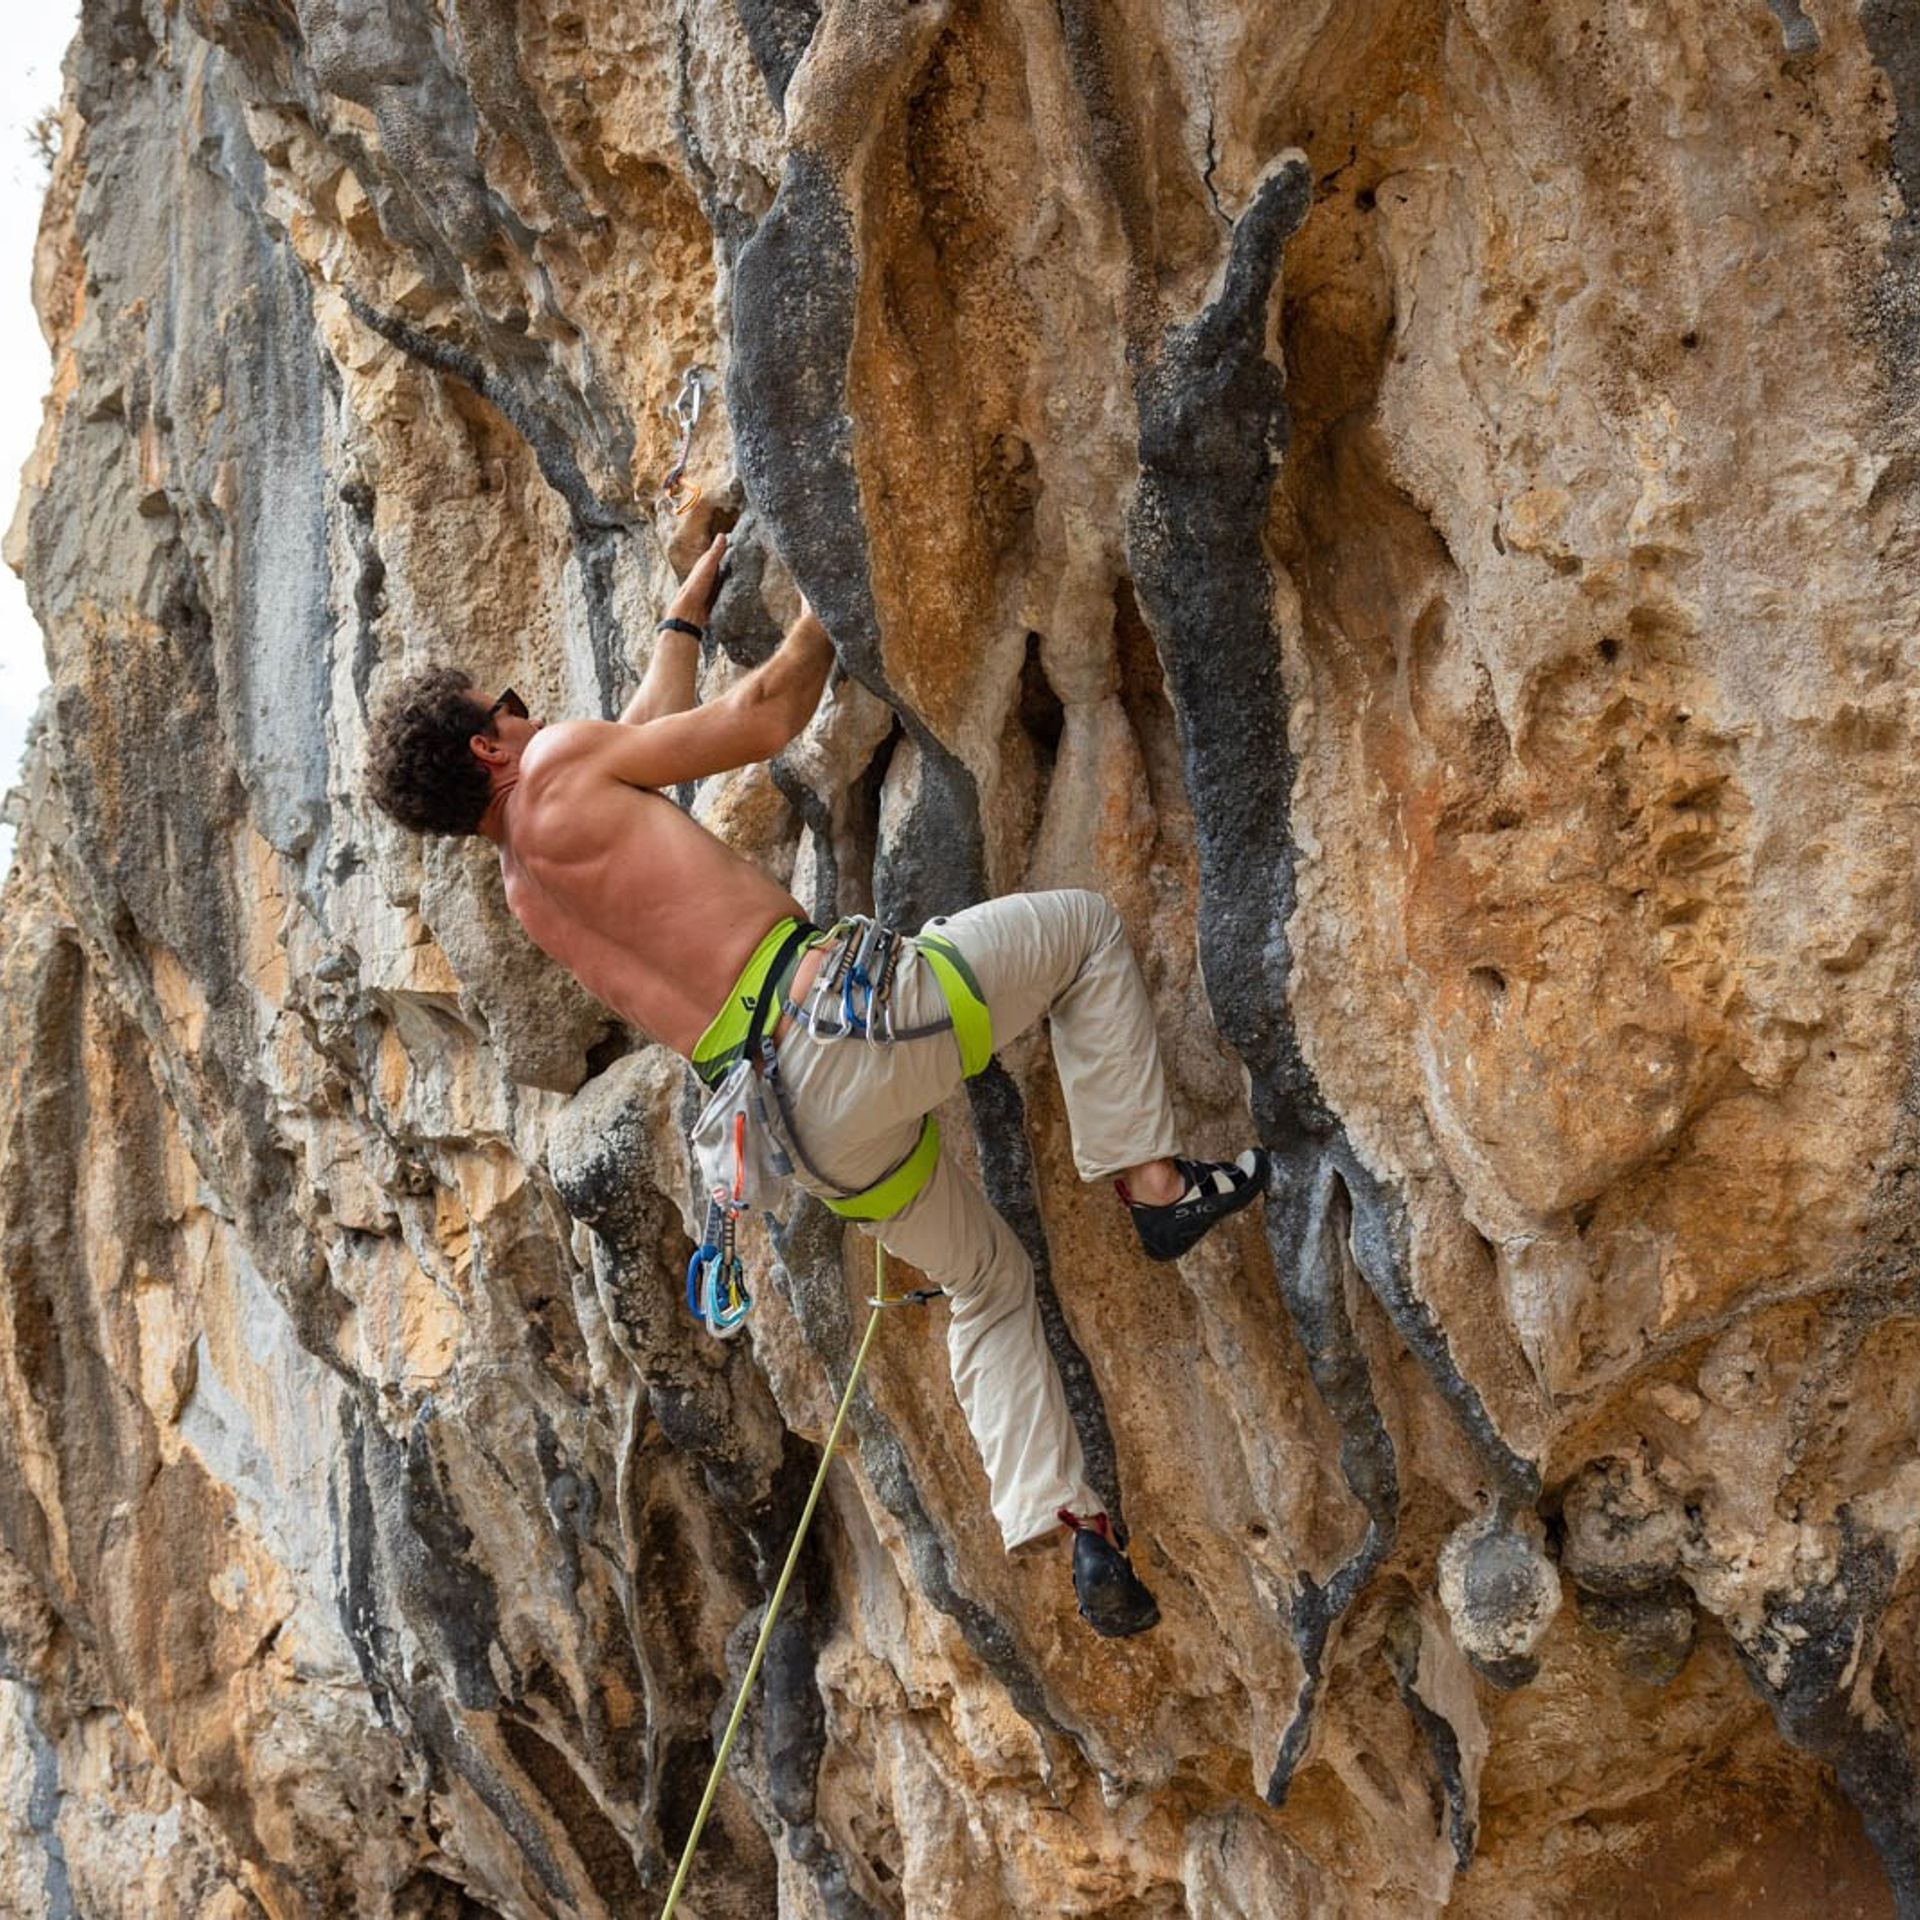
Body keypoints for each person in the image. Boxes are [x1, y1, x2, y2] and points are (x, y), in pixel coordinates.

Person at [367, 532, 1270, 1636]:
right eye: (507, 702)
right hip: (840, 1021)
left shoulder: (527, 887)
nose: (527, 708)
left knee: (986, 1277)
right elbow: (760, 721)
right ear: (487, 744)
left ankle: (1068, 1521)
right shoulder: (558, 763)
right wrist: (828, 592)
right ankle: (1156, 1186)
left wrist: (684, 614)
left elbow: (645, 733)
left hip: (786, 1129)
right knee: (1080, 935)